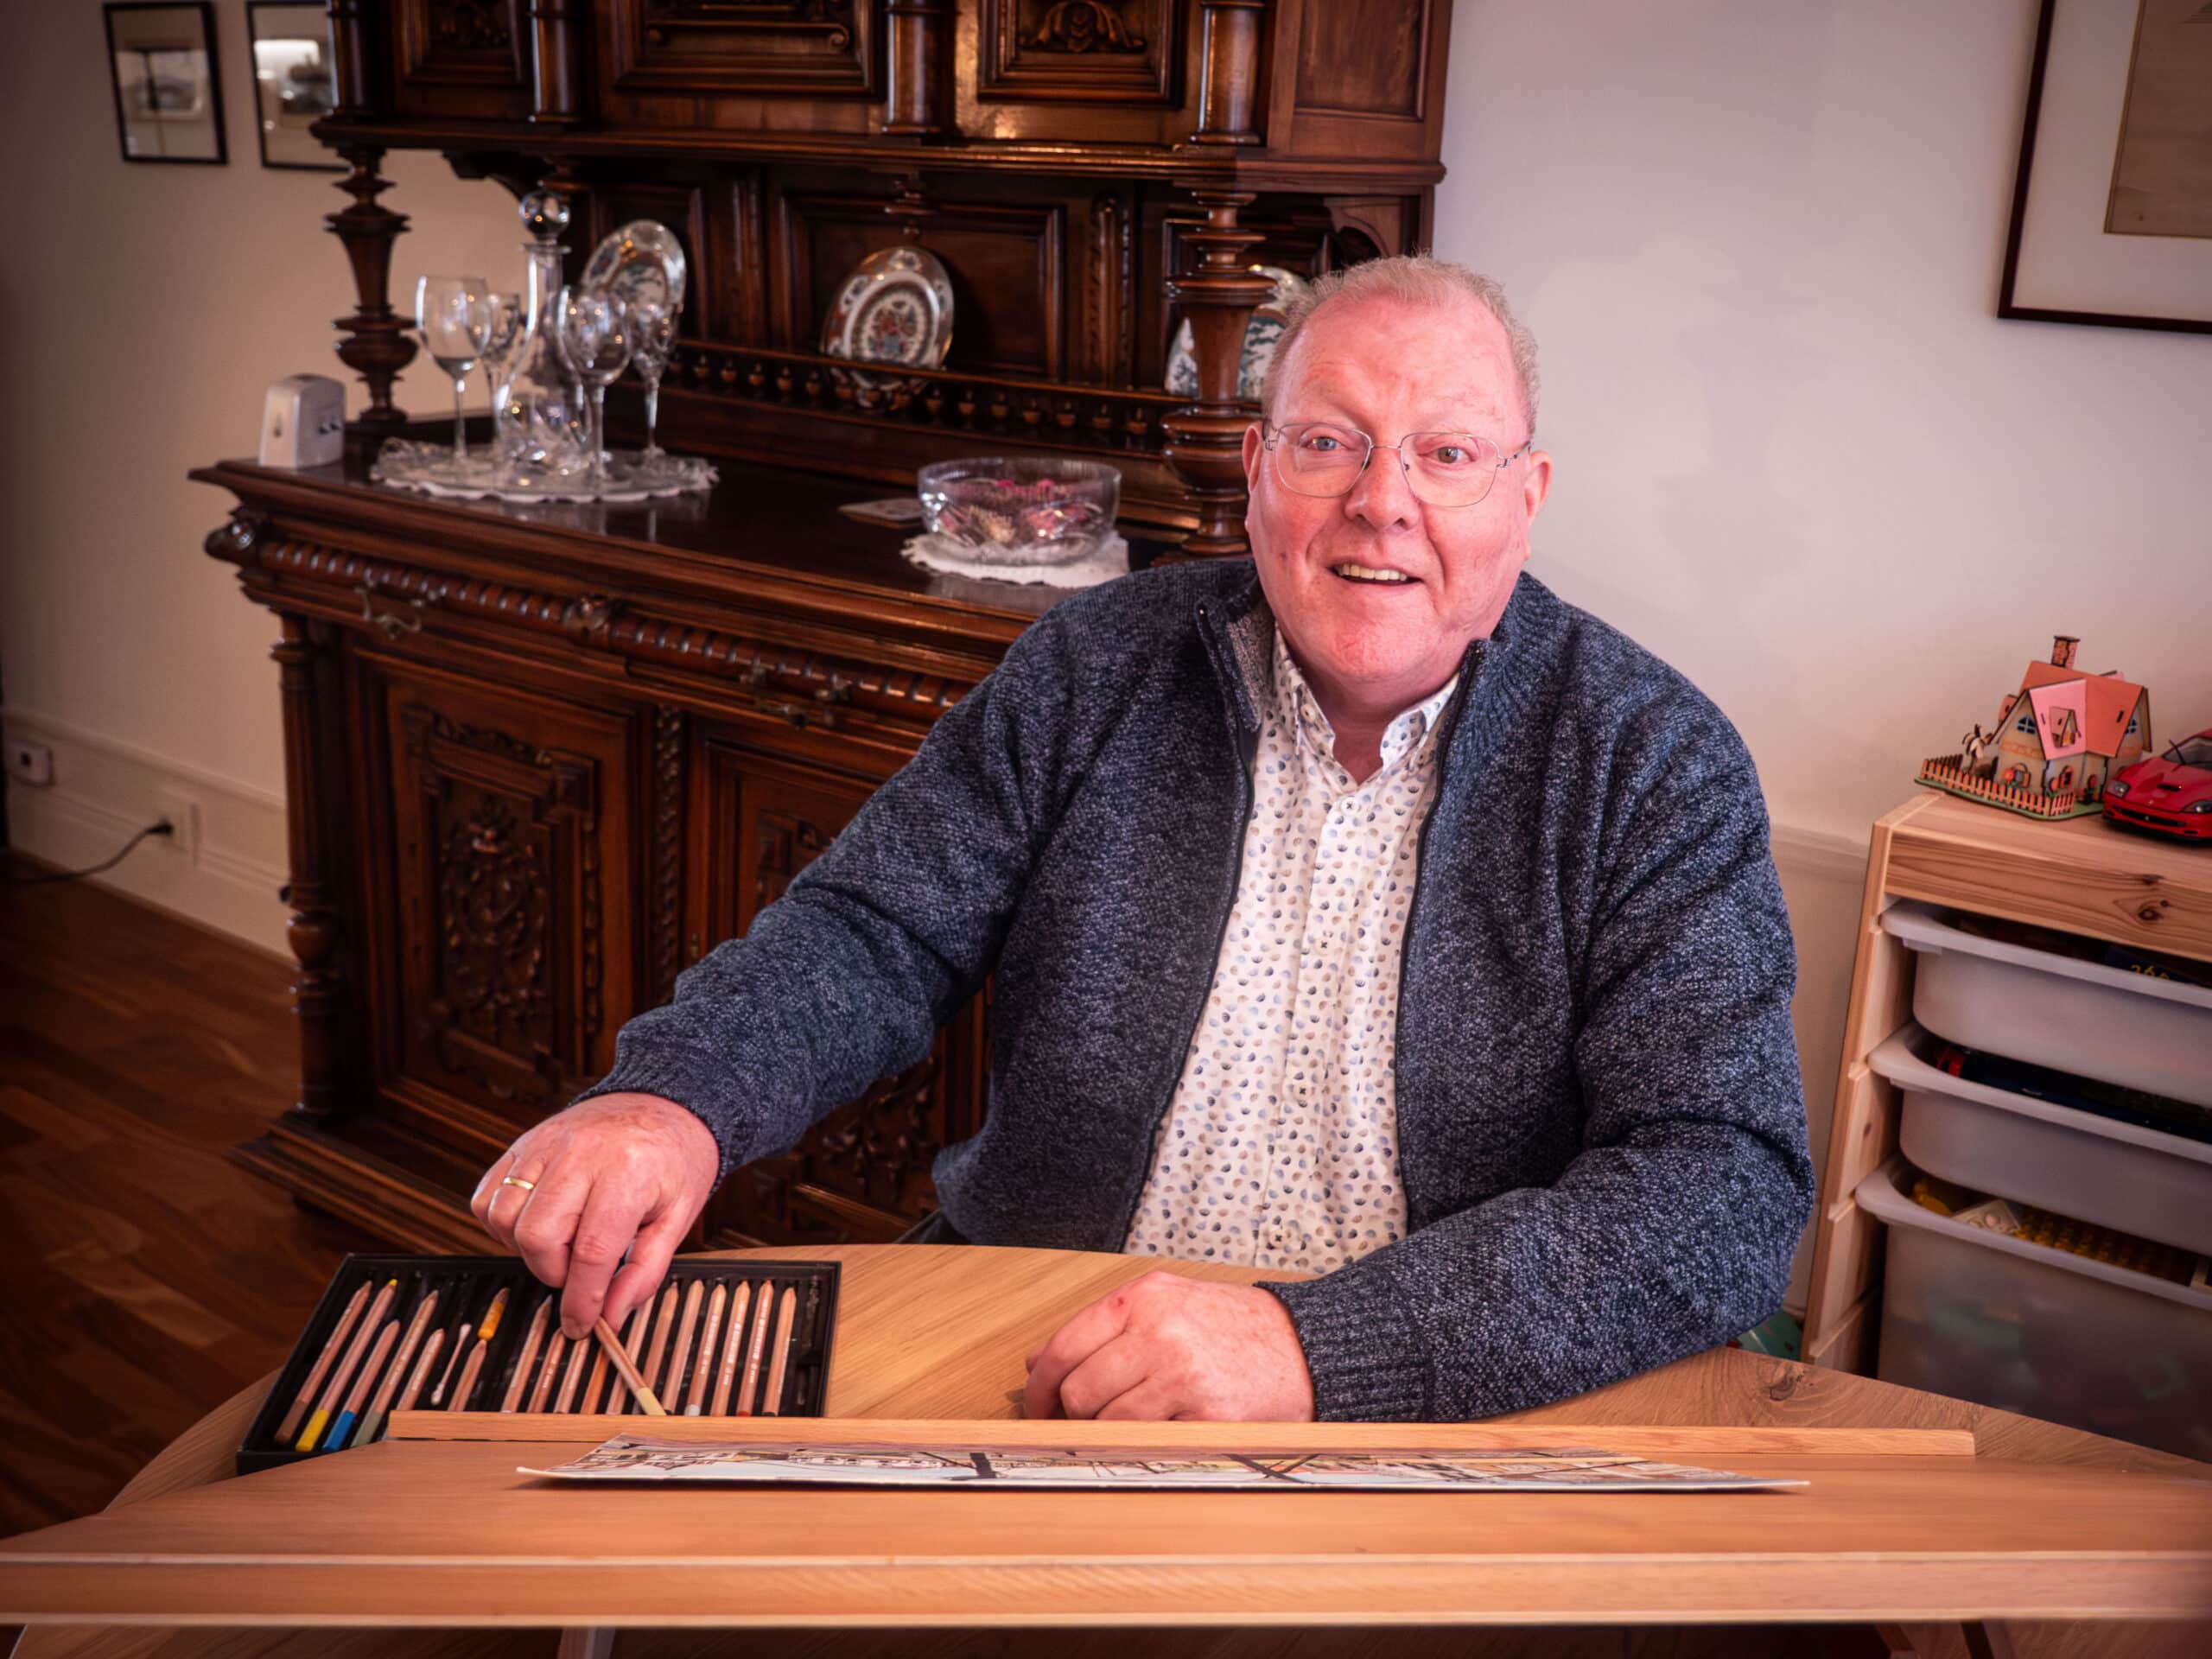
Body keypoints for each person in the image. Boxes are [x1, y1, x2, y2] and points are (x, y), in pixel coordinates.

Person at [472, 256, 1814, 1423]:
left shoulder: (1651, 758)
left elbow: (1722, 1183)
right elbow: (875, 931)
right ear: (1256, 472)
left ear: (1527, 495)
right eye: (1328, 442)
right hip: (1036, 1345)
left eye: (1448, 454)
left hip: (1432, 1403)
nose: (1383, 502)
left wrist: (1314, 1348)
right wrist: (677, 1096)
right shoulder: (1094, 665)